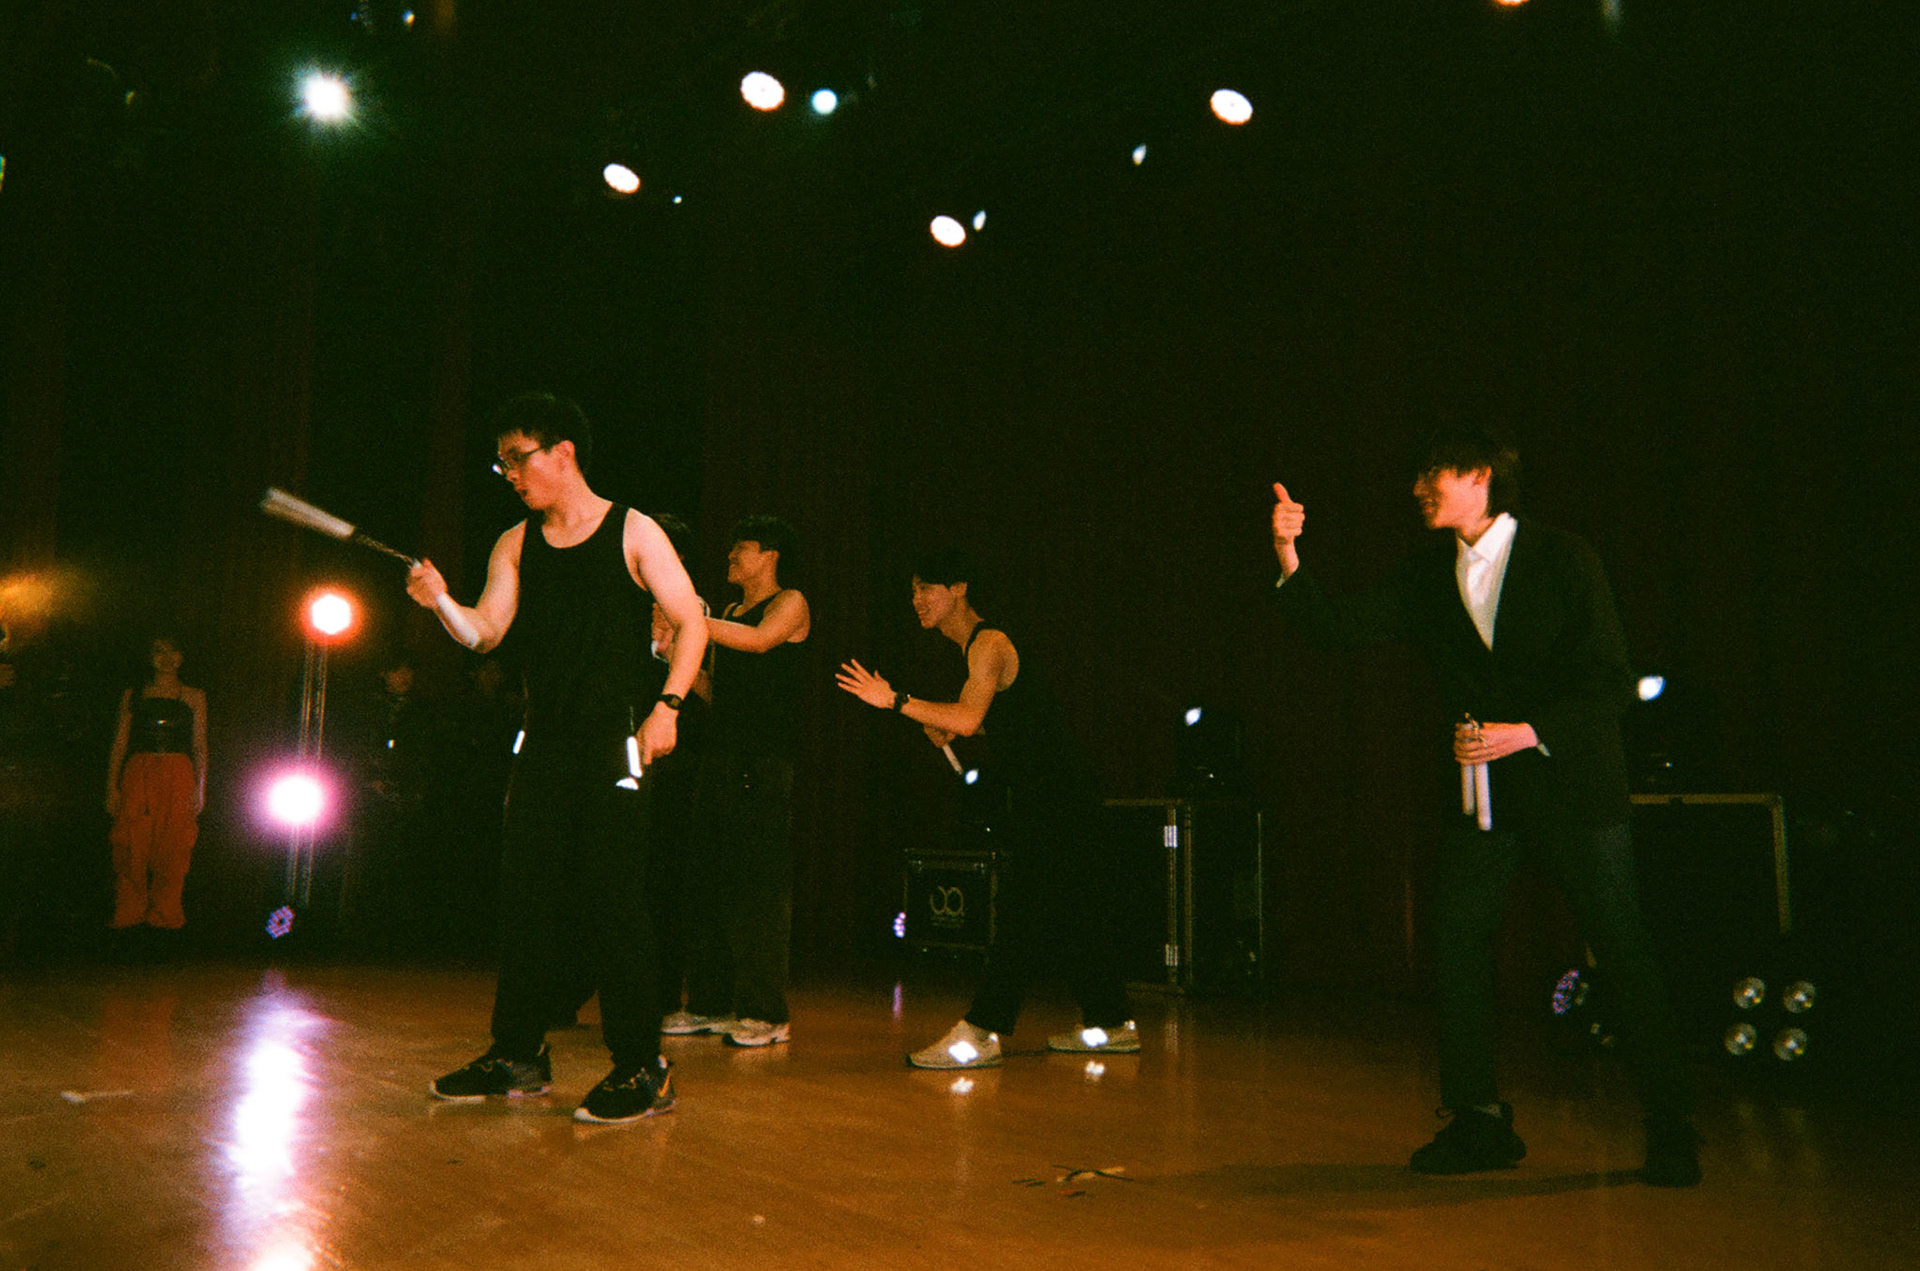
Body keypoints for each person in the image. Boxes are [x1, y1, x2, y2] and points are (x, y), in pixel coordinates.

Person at [1267, 423, 1699, 1187]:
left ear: (1481, 476)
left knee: (1620, 943)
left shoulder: (1565, 557)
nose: (1417, 489)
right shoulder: (1426, 572)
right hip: (1486, 797)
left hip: (1573, 785)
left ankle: (1671, 1128)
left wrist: (1526, 732)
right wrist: (1287, 552)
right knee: (1457, 937)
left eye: (1432, 472)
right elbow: (1334, 628)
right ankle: (1479, 1121)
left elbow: (1609, 678)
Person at [406, 393, 707, 1125]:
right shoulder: (515, 542)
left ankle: (643, 1066)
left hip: (617, 741)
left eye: (518, 458)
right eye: (502, 463)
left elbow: (692, 619)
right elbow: (484, 631)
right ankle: (517, 1054)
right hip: (542, 743)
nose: (509, 474)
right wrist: (441, 601)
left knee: (614, 901)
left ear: (563, 452)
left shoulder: (633, 530)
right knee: (527, 898)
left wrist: (668, 706)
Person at [838, 548, 1136, 1070]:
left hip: (1060, 795)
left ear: (958, 589)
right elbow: (985, 719)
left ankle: (981, 1030)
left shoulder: (989, 643)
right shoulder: (972, 649)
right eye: (912, 591)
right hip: (1051, 794)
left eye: (926, 588)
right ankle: (1112, 1023)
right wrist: (946, 724)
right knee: (1073, 911)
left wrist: (896, 700)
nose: (916, 600)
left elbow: (969, 717)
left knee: (1022, 909)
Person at [674, 515, 810, 1048]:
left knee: (758, 889)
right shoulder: (729, 612)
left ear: (770, 556)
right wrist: (673, 650)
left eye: (743, 547)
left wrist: (693, 620)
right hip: (720, 759)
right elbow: (716, 690)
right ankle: (709, 1003)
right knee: (706, 884)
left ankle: (766, 1013)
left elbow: (759, 642)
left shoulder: (790, 603)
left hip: (765, 762)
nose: (731, 555)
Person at [105, 634, 207, 933]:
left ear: (182, 657)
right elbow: (120, 742)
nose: (166, 658)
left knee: (174, 845)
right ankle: (129, 913)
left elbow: (200, 745)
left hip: (178, 771)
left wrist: (200, 788)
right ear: (149, 657)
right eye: (159, 652)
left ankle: (165, 914)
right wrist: (111, 786)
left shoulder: (194, 696)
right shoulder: (134, 694)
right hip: (140, 770)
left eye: (173, 651)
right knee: (132, 842)